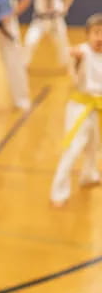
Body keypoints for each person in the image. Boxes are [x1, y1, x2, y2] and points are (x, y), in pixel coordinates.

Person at [50, 13, 102, 207]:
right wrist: (77, 61)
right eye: (96, 33)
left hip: (98, 109)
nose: (100, 38)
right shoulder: (82, 52)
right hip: (80, 107)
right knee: (73, 149)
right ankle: (58, 192)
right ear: (87, 35)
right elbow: (72, 75)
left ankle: (88, 175)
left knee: (94, 146)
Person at [24, 0, 74, 67]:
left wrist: (65, 8)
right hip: (40, 19)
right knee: (30, 41)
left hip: (56, 19)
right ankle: (24, 63)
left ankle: (67, 66)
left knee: (63, 44)